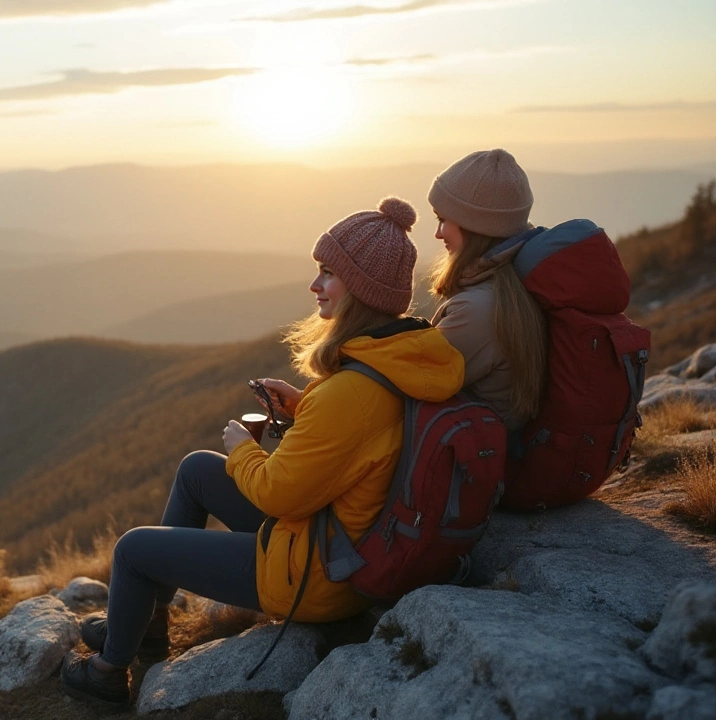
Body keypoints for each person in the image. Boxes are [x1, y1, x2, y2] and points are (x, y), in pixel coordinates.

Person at [60, 197, 465, 706]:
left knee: (134, 549)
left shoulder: (352, 391)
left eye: (328, 274)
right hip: (339, 539)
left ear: (361, 291)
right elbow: (355, 446)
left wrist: (242, 451)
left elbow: (280, 497)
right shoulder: (398, 359)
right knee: (195, 471)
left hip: (317, 575)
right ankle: (145, 628)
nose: (315, 285)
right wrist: (303, 412)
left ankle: (107, 672)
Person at [426, 148, 547, 431]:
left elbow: (413, 382)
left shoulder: (477, 310)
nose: (438, 233)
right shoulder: (509, 288)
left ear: (474, 226)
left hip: (477, 466)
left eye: (442, 220)